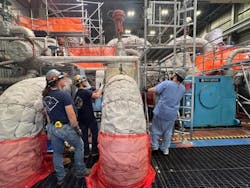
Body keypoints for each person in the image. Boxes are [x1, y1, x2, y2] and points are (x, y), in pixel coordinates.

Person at [42, 69, 90, 186]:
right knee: (79, 146)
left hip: (53, 127)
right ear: (57, 81)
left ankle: (60, 177)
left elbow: (47, 113)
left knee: (57, 153)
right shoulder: (64, 95)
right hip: (65, 127)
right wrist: (76, 128)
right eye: (62, 78)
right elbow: (71, 115)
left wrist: (49, 129)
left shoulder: (46, 95)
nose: (64, 80)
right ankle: (80, 171)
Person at [145, 69, 186, 155]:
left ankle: (155, 146)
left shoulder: (167, 83)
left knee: (155, 129)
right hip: (172, 114)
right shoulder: (183, 88)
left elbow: (155, 90)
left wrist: (146, 89)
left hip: (161, 111)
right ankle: (165, 149)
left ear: (175, 76)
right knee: (168, 132)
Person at [73, 75, 103, 163]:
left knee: (84, 138)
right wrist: (101, 87)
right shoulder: (85, 92)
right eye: (84, 80)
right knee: (94, 136)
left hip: (81, 119)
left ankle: (86, 156)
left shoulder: (78, 93)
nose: (86, 82)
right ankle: (94, 154)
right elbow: (97, 96)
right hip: (89, 118)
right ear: (81, 82)